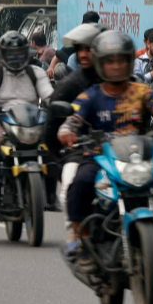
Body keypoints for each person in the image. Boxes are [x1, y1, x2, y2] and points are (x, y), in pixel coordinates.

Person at [58, 32, 153, 264]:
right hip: (100, 157)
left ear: (129, 62)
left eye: (121, 60)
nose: (116, 66)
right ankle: (81, 239)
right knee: (79, 185)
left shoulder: (142, 91)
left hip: (140, 156)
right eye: (110, 61)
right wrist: (67, 131)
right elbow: (73, 119)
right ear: (100, 64)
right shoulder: (91, 95)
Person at [0, 32, 54, 216]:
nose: (16, 57)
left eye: (19, 53)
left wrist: (56, 104)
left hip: (31, 124)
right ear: (2, 54)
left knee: (52, 143)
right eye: (11, 53)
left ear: (26, 53)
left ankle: (50, 193)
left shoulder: (36, 72)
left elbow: (49, 95)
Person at [46, 23, 104, 225]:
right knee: (71, 187)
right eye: (80, 49)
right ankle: (76, 233)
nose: (84, 54)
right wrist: (61, 156)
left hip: (123, 150)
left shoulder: (130, 82)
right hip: (82, 150)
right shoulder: (72, 85)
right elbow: (52, 128)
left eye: (90, 49)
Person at [46, 11, 100, 77]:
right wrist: (51, 68)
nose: (84, 54)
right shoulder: (74, 56)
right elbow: (58, 55)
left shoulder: (100, 41)